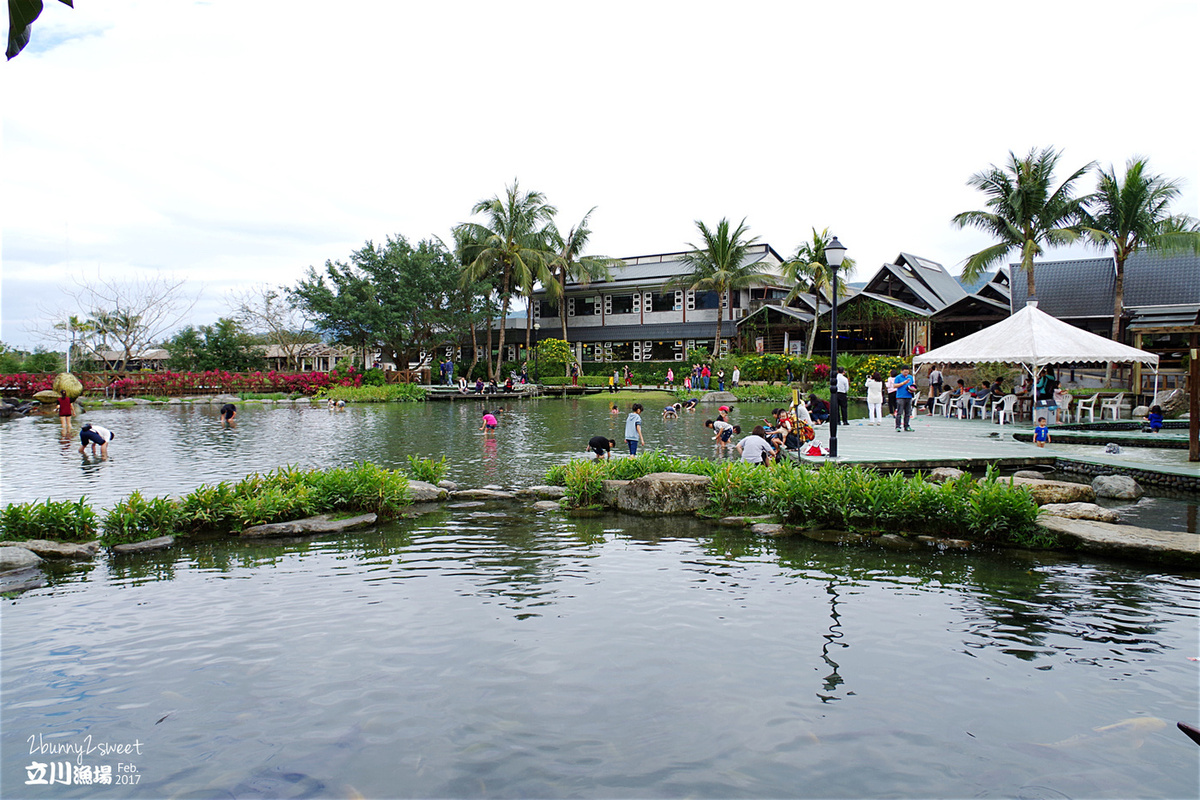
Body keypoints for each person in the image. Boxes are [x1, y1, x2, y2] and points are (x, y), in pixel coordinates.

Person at [894, 366, 915, 432]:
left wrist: (913, 388)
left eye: (907, 372)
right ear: (901, 371)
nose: (906, 373)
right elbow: (895, 386)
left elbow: (913, 384)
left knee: (908, 412)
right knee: (899, 412)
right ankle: (898, 426)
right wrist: (903, 383)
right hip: (901, 396)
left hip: (909, 396)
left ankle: (907, 426)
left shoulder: (910, 377)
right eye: (905, 372)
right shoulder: (898, 377)